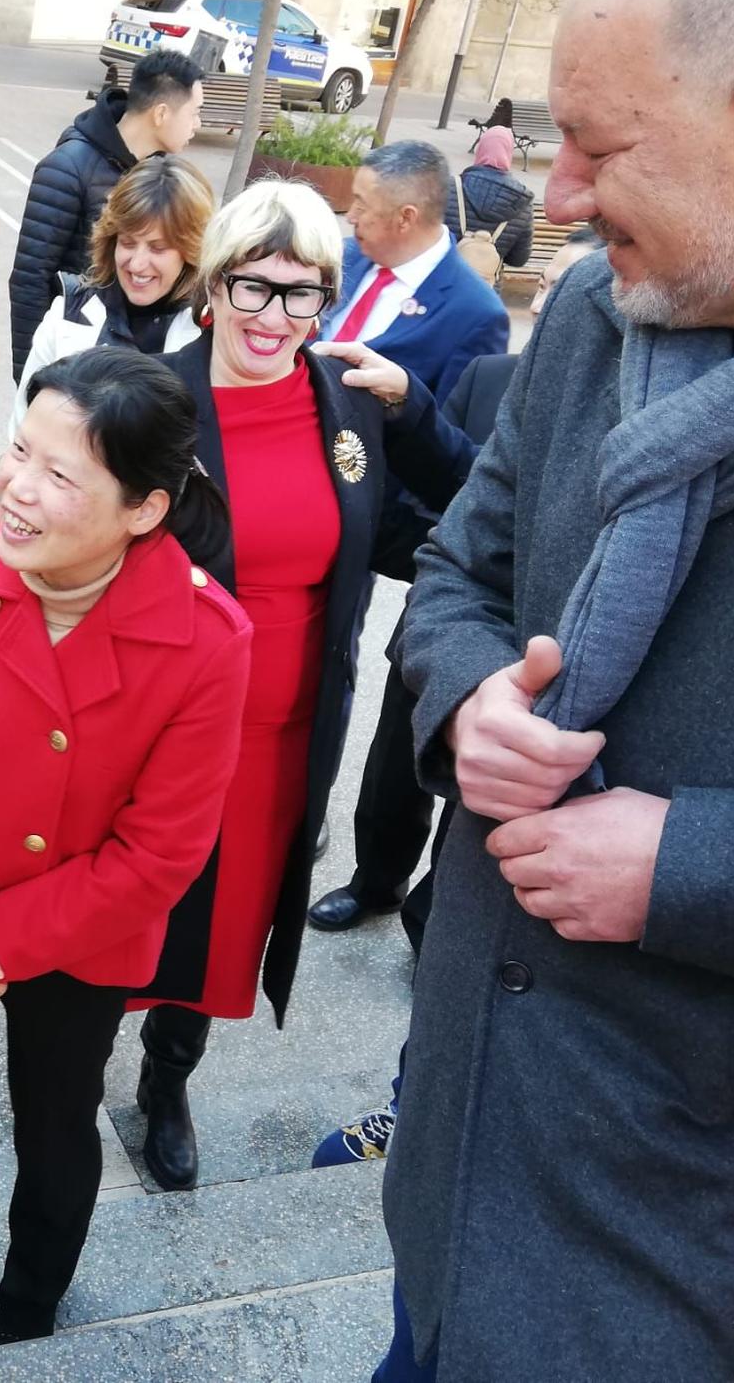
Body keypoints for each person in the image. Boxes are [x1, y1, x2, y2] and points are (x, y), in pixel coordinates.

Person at [380, 0, 734, 1377]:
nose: (553, 197)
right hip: (457, 1170)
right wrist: (471, 696)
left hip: (690, 1257)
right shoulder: (607, 312)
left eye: (598, 148)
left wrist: (695, 871)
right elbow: (457, 576)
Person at [0, 347, 253, 1370]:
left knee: (54, 1121)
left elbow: (158, 855)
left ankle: (31, 1298)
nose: (16, 490)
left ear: (144, 508)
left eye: (59, 475)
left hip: (80, 930)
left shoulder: (206, 639)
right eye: (18, 452)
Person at [127, 177, 468, 1193]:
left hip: (278, 739)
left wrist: (413, 411)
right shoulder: (151, 400)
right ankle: (64, 1055)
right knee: (126, 909)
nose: (274, 317)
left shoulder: (342, 399)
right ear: (213, 284)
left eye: (301, 292)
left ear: (327, 298)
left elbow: (461, 507)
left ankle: (164, 1079)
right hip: (153, 731)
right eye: (253, 287)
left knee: (219, 922)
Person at [309, 228, 602, 941]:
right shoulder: (490, 378)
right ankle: (374, 883)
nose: (548, 297)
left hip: (540, 646)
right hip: (444, 623)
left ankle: (432, 919)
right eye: (547, 282)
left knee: (475, 807)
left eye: (570, 286)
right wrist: (408, 411)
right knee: (390, 779)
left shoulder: (616, 405)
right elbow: (457, 491)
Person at [8, 49, 205, 380]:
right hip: (70, 357)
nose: (197, 124)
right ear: (161, 113)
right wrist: (33, 377)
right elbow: (29, 279)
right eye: (195, 112)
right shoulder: (67, 167)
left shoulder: (156, 174)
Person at [14, 153, 212, 408]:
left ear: (191, 251)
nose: (137, 263)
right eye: (127, 243)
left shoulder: (210, 331)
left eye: (158, 248)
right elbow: (25, 422)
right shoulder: (67, 312)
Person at [321, 140, 509, 403]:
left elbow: (457, 434)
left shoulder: (476, 314)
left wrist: (405, 398)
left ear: (405, 218)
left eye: (361, 205)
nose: (350, 216)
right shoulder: (343, 256)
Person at [441, 125, 533, 270]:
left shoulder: (449, 187)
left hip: (443, 280)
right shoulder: (522, 202)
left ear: (480, 148)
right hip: (486, 287)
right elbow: (518, 260)